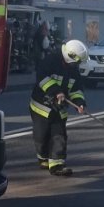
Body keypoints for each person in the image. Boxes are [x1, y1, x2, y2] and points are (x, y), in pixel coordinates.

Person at [29, 39, 88, 176]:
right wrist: (56, 91)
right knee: (41, 135)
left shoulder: (74, 71)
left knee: (59, 135)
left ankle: (57, 164)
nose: (77, 65)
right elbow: (42, 78)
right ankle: (43, 157)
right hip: (41, 106)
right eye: (77, 61)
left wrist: (80, 103)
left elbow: (76, 89)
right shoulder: (51, 61)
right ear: (70, 56)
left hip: (59, 107)